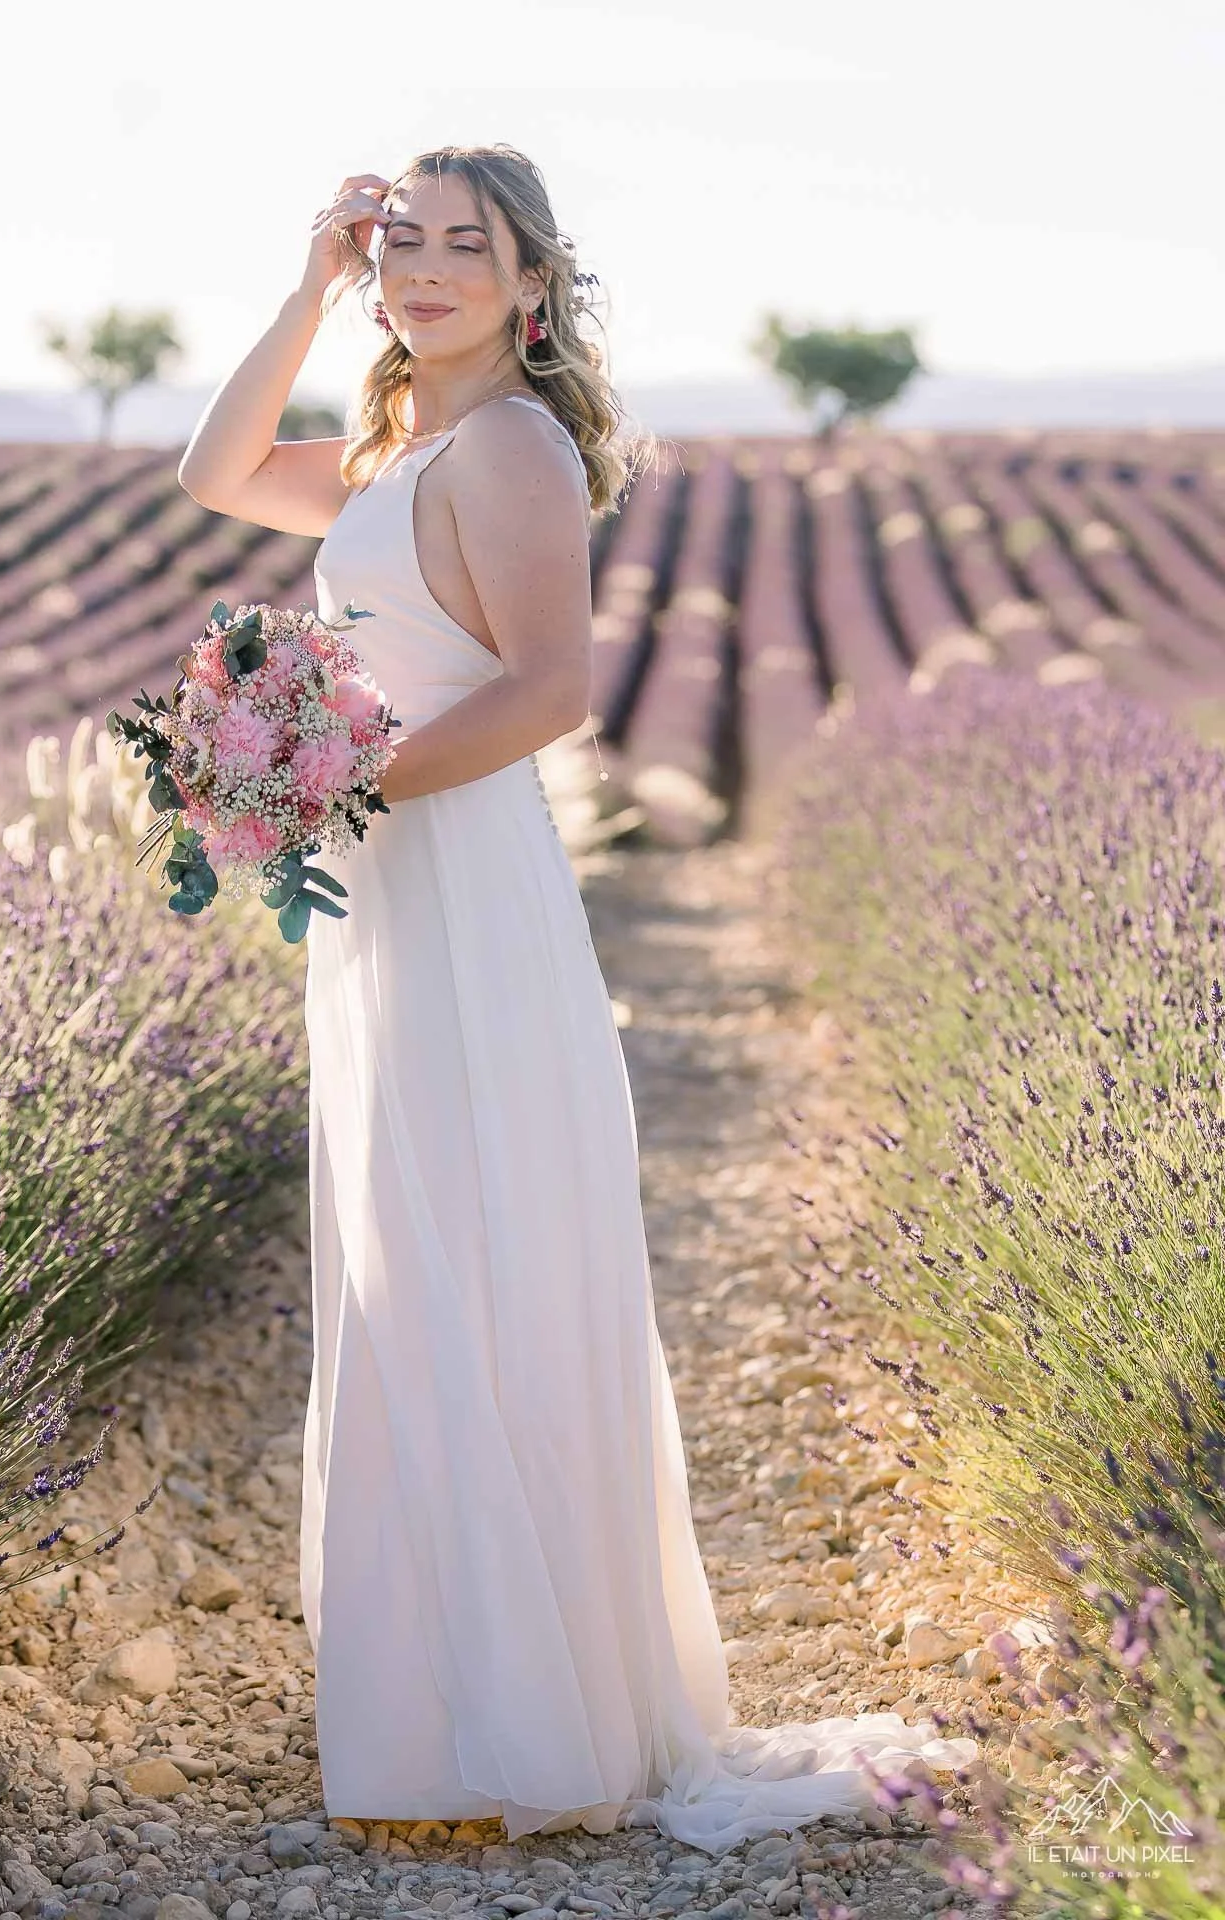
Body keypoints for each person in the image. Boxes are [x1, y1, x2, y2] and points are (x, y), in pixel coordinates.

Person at [177, 142, 977, 1854]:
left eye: (469, 247)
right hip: (392, 895)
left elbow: (548, 693)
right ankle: (466, 1703)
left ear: (534, 287)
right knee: (413, 1256)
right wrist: (309, 286)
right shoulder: (402, 444)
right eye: (405, 245)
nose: (430, 270)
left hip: (461, 885)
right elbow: (216, 465)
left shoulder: (517, 449)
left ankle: (538, 1720)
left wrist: (339, 786)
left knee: (482, 1255)